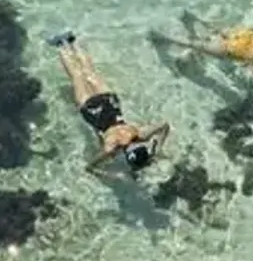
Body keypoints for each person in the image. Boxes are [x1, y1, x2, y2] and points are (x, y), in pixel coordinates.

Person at [47, 31, 170, 173]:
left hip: (110, 102)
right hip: (92, 110)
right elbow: (90, 167)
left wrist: (158, 148)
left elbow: (164, 125)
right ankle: (61, 45)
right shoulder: (112, 148)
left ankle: (74, 42)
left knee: (89, 72)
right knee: (76, 76)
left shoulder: (140, 134)